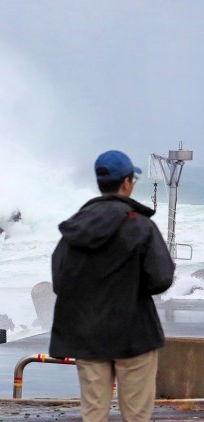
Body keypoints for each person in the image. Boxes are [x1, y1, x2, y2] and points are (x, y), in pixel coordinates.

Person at [49, 150, 175, 422]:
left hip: (88, 336)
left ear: (100, 182)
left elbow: (60, 282)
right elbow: (161, 278)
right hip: (135, 335)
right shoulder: (140, 226)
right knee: (137, 416)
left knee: (94, 414)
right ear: (127, 182)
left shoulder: (76, 228)